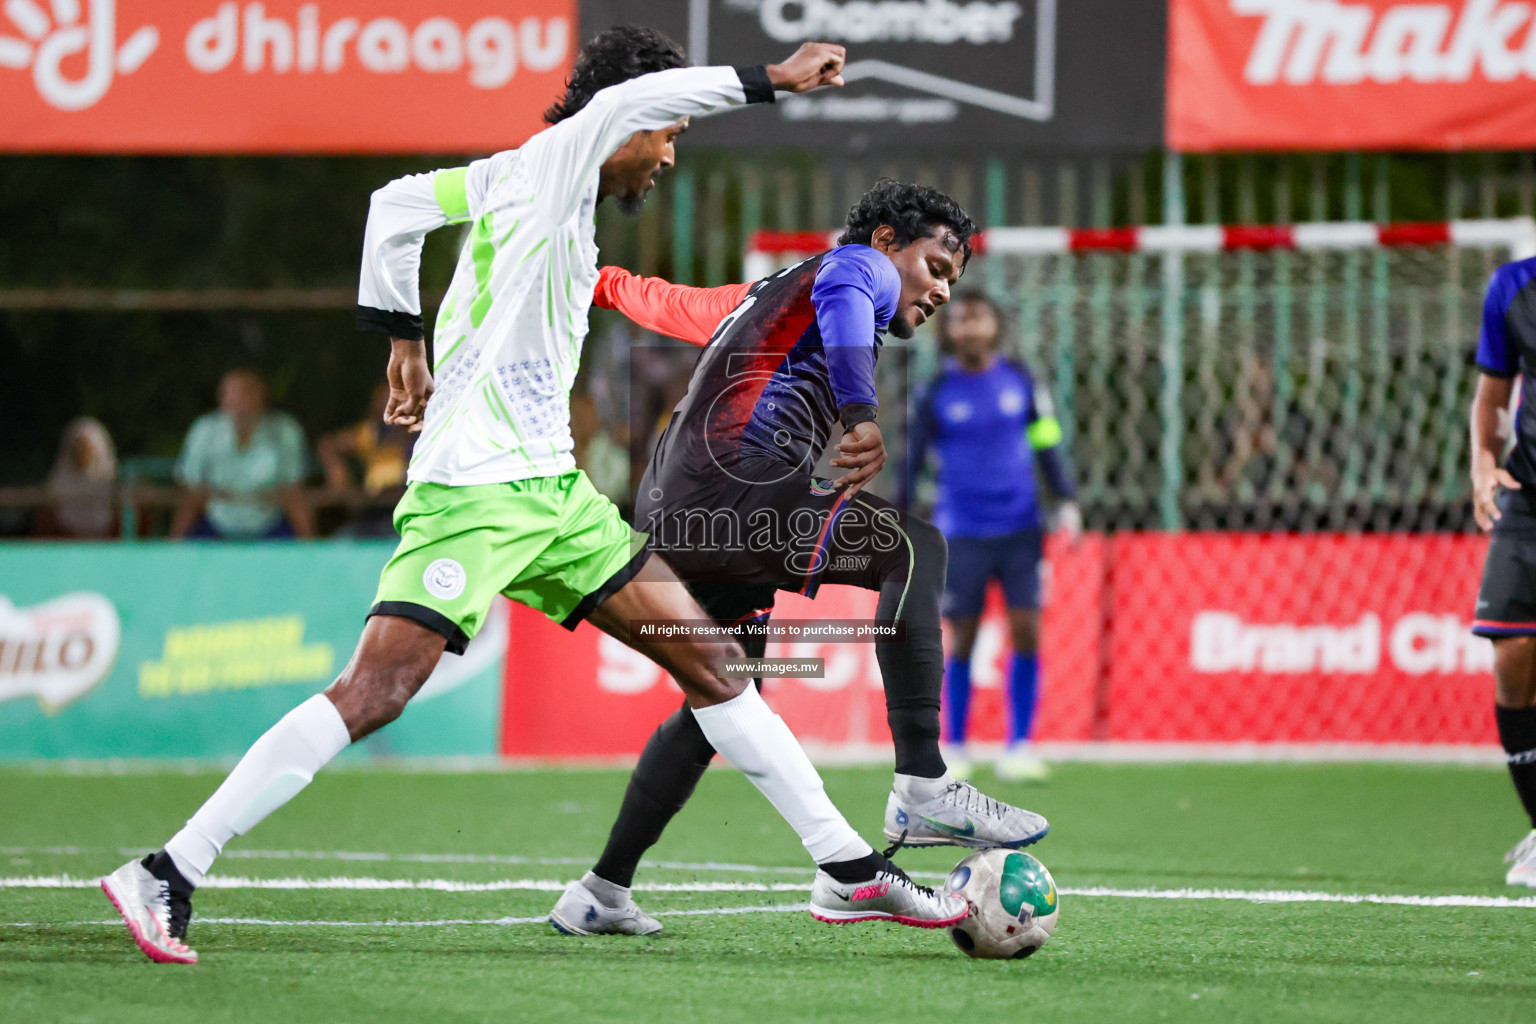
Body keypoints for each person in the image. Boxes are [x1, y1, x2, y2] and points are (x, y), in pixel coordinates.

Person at [100, 28, 965, 967]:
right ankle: (169, 868)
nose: (668, 155)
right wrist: (772, 80)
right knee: (378, 688)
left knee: (712, 664)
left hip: (551, 490)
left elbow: (393, 207)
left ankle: (844, 867)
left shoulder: (506, 178)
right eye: (667, 132)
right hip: (475, 486)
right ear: (624, 116)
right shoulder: (563, 157)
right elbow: (615, 110)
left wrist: (402, 336)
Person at [547, 181, 1050, 937]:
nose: (944, 289)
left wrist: (599, 283)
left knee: (719, 698)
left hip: (674, 510)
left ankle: (602, 892)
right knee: (915, 546)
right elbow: (853, 291)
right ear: (887, 241)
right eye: (937, 265)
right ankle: (921, 779)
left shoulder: (769, 294)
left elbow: (673, 306)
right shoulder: (858, 268)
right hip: (734, 487)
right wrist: (859, 414)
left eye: (956, 278)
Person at [910, 291, 1080, 783]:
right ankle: (956, 745)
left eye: (978, 317)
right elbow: (912, 459)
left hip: (1022, 527)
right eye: (959, 319)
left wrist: (1065, 499)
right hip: (961, 531)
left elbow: (1047, 441)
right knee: (961, 636)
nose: (968, 326)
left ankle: (1019, 745)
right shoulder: (935, 390)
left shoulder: (1022, 380)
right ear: (948, 330)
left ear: (995, 326)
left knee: (1026, 628)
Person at [1469, 254, 1536, 888]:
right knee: (1512, 652)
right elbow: (1491, 398)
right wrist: (1482, 463)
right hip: (1531, 495)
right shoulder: (1513, 287)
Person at [168, 368, 315, 540]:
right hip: (216, 522)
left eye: (248, 393)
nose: (240, 401)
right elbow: (191, 490)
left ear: (263, 397)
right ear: (222, 398)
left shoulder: (285, 430)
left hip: (269, 522)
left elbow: (294, 491)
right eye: (232, 394)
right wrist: (175, 541)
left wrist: (309, 545)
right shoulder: (205, 430)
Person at [316, 382, 414, 537]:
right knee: (341, 541)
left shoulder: (422, 435)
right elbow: (328, 445)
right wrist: (340, 483)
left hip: (409, 518)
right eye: (385, 400)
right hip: (370, 517)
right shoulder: (371, 433)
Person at [43, 417, 117, 538]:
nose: (81, 452)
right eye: (77, 447)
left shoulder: (113, 485)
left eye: (85, 447)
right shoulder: (57, 484)